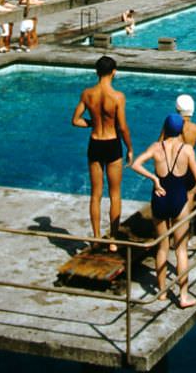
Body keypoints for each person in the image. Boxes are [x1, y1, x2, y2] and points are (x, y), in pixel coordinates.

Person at [133, 113, 196, 308]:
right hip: (179, 201)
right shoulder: (187, 149)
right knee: (181, 249)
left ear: (165, 128)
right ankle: (183, 296)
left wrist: (154, 179)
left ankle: (162, 292)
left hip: (160, 199)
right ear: (180, 130)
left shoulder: (156, 147)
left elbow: (135, 164)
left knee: (162, 248)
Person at [71, 55, 133, 251]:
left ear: (97, 72)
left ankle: (97, 238)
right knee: (115, 194)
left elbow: (75, 120)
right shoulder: (118, 97)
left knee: (95, 194)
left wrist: (93, 123)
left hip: (95, 142)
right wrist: (130, 148)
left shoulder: (87, 94)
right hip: (112, 143)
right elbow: (122, 127)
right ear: (114, 72)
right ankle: (113, 240)